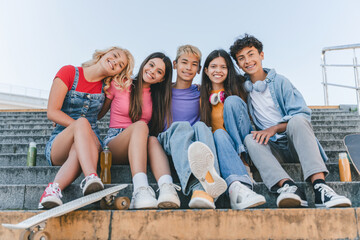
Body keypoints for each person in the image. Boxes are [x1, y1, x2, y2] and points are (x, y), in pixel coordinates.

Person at [229, 34, 352, 208]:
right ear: (238, 64)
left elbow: (302, 113)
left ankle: (320, 188)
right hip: (272, 149)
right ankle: (289, 187)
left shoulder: (281, 82)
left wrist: (274, 128)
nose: (247, 61)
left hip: (295, 143)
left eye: (251, 54)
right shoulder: (243, 89)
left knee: (298, 121)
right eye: (241, 58)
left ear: (261, 55)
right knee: (250, 139)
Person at [39, 47, 134, 209]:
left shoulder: (107, 89)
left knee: (80, 143)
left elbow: (98, 116)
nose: (115, 62)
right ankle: (91, 176)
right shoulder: (69, 72)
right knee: (83, 123)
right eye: (115, 56)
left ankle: (52, 190)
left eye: (120, 65)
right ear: (104, 54)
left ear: (118, 72)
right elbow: (52, 112)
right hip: (61, 140)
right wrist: (79, 128)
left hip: (90, 144)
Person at [98, 52, 181, 209]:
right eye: (151, 65)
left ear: (162, 79)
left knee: (153, 139)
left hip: (141, 144)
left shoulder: (157, 96)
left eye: (159, 72)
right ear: (145, 63)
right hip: (115, 143)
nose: (152, 71)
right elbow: (98, 112)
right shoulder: (120, 82)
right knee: (142, 125)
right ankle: (140, 189)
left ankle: (167, 188)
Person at [153, 45, 227, 209]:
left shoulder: (201, 93)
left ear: (200, 69)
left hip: (195, 144)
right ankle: (197, 186)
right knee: (182, 126)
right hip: (170, 140)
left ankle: (209, 183)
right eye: (184, 62)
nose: (188, 68)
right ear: (175, 64)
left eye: (194, 64)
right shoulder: (161, 90)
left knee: (202, 126)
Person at [199, 49, 266, 209]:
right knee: (219, 133)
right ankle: (238, 188)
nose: (218, 71)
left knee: (231, 102)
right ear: (206, 70)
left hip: (244, 142)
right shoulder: (201, 96)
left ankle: (244, 162)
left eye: (223, 67)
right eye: (213, 66)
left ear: (229, 70)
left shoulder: (240, 87)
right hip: (224, 146)